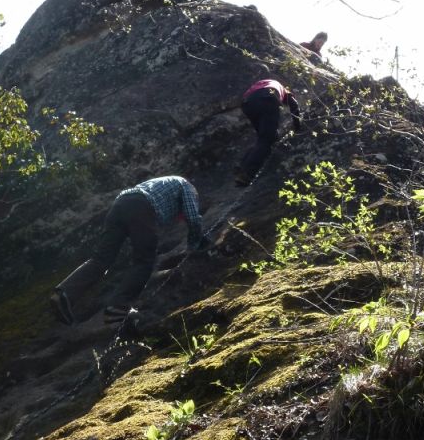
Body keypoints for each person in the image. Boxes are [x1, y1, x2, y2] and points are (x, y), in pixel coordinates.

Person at [50, 176, 206, 325]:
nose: (179, 220)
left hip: (119, 205)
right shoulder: (187, 187)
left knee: (102, 259)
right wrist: (195, 244)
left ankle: (64, 294)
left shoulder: (165, 187)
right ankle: (118, 307)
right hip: (141, 205)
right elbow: (192, 217)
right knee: (145, 260)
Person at [234, 79, 302, 187]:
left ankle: (241, 166)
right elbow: (294, 105)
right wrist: (298, 127)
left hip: (248, 103)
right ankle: (246, 174)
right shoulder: (284, 91)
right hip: (267, 98)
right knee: (267, 139)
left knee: (263, 139)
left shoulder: (266, 82)